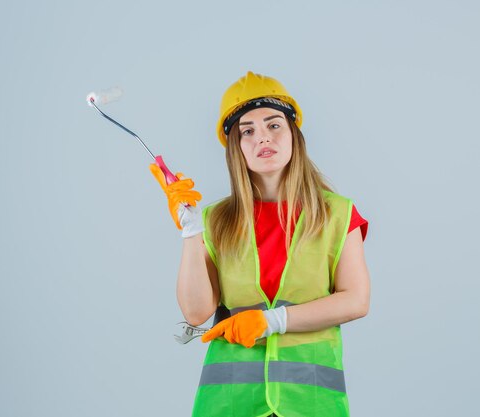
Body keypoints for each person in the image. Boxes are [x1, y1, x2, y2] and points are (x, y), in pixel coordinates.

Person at [150, 71, 371, 417]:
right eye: (247, 131)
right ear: (236, 148)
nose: (262, 138)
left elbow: (356, 300)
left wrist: (273, 321)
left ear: (294, 134)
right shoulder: (215, 220)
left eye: (273, 125)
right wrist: (191, 232)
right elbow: (196, 312)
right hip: (228, 405)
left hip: (310, 404)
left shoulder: (338, 214)